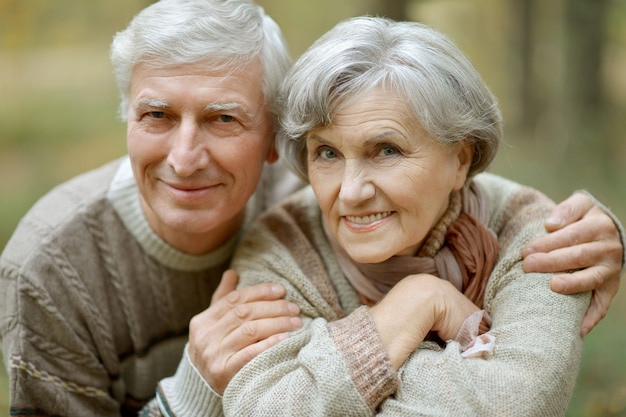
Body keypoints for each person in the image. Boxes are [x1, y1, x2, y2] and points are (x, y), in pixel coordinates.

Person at [0, 1, 622, 416]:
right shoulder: (48, 275)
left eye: (223, 118)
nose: (186, 158)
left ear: (273, 142)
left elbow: (520, 397)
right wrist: (415, 307)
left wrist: (603, 232)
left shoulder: (301, 195)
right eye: (157, 114)